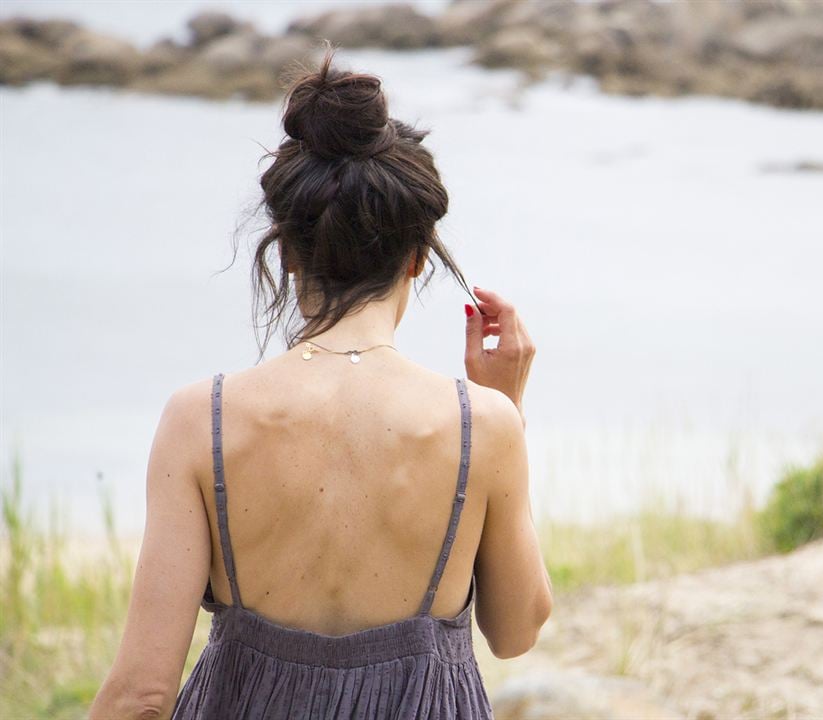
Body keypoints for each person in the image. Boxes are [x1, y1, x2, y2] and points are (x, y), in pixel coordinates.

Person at [89, 47, 552, 720]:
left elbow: (141, 694)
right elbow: (516, 633)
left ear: (284, 250)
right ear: (417, 260)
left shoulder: (201, 420)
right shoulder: (483, 424)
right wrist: (504, 406)